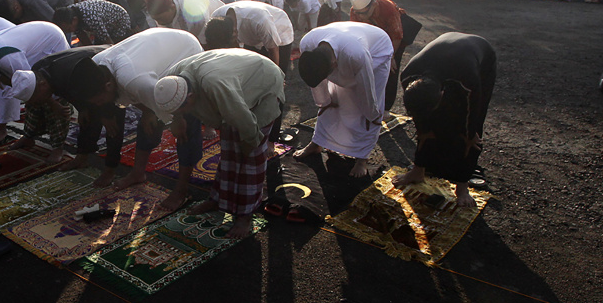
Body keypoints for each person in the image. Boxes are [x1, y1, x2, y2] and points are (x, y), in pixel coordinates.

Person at [154, 48, 285, 238]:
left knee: (250, 159)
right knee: (229, 151)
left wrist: (252, 142)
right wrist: (176, 119)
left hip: (263, 82)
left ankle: (245, 215)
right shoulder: (172, 80)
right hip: (235, 81)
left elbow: (244, 120)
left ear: (190, 98)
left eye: (184, 110)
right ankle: (218, 200)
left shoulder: (215, 85)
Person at [87, 28, 205, 208]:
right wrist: (148, 111)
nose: (99, 105)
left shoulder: (134, 78)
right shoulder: (96, 66)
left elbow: (158, 98)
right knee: (148, 121)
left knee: (186, 129)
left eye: (100, 100)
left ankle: (181, 189)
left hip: (184, 51)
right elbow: (134, 95)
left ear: (108, 86)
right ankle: (138, 173)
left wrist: (178, 120)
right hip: (154, 59)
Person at [392, 33, 496, 207]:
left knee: (469, 134)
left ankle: (462, 187)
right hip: (441, 59)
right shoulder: (408, 76)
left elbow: (474, 114)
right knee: (428, 129)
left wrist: (470, 135)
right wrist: (423, 132)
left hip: (479, 57)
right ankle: (418, 171)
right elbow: (419, 113)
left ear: (442, 94)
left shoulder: (467, 78)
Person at [295, 22, 393, 177]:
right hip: (349, 40)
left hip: (376, 51)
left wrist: (373, 116)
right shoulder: (308, 44)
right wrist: (324, 102)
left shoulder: (356, 55)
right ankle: (317, 143)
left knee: (365, 106)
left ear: (334, 64)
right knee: (334, 100)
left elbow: (367, 92)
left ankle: (362, 158)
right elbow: (316, 82)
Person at [10, 46, 119, 186]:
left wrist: (105, 115)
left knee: (113, 126)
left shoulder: (70, 75)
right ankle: (82, 158)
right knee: (87, 118)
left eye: (36, 99)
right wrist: (82, 108)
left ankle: (110, 170)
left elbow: (99, 93)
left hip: (108, 72)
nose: (38, 103)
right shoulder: (40, 71)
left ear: (42, 85)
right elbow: (69, 91)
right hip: (88, 82)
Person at [0, 21, 69, 144]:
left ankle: (57, 146)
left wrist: (53, 104)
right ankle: (26, 136)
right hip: (33, 38)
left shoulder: (8, 58)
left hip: (50, 42)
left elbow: (32, 86)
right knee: (20, 91)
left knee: (46, 91)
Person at [348, 0, 411, 109]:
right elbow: (356, 34)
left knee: (391, 69)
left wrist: (391, 56)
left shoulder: (388, 8)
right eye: (358, 13)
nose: (360, 16)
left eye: (363, 13)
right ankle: (368, 100)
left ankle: (386, 106)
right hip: (373, 38)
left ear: (374, 5)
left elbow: (396, 36)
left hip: (393, 38)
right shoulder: (354, 11)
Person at [146, 0, 224, 42]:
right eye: (156, 19)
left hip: (218, 23)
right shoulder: (161, 14)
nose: (158, 22)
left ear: (172, 8)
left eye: (160, 19)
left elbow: (204, 42)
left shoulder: (194, 9)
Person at [52, 0, 131, 45]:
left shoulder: (91, 17)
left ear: (74, 20)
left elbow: (108, 41)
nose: (69, 32)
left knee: (116, 45)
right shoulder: (68, 13)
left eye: (69, 30)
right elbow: (82, 36)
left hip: (119, 20)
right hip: (103, 23)